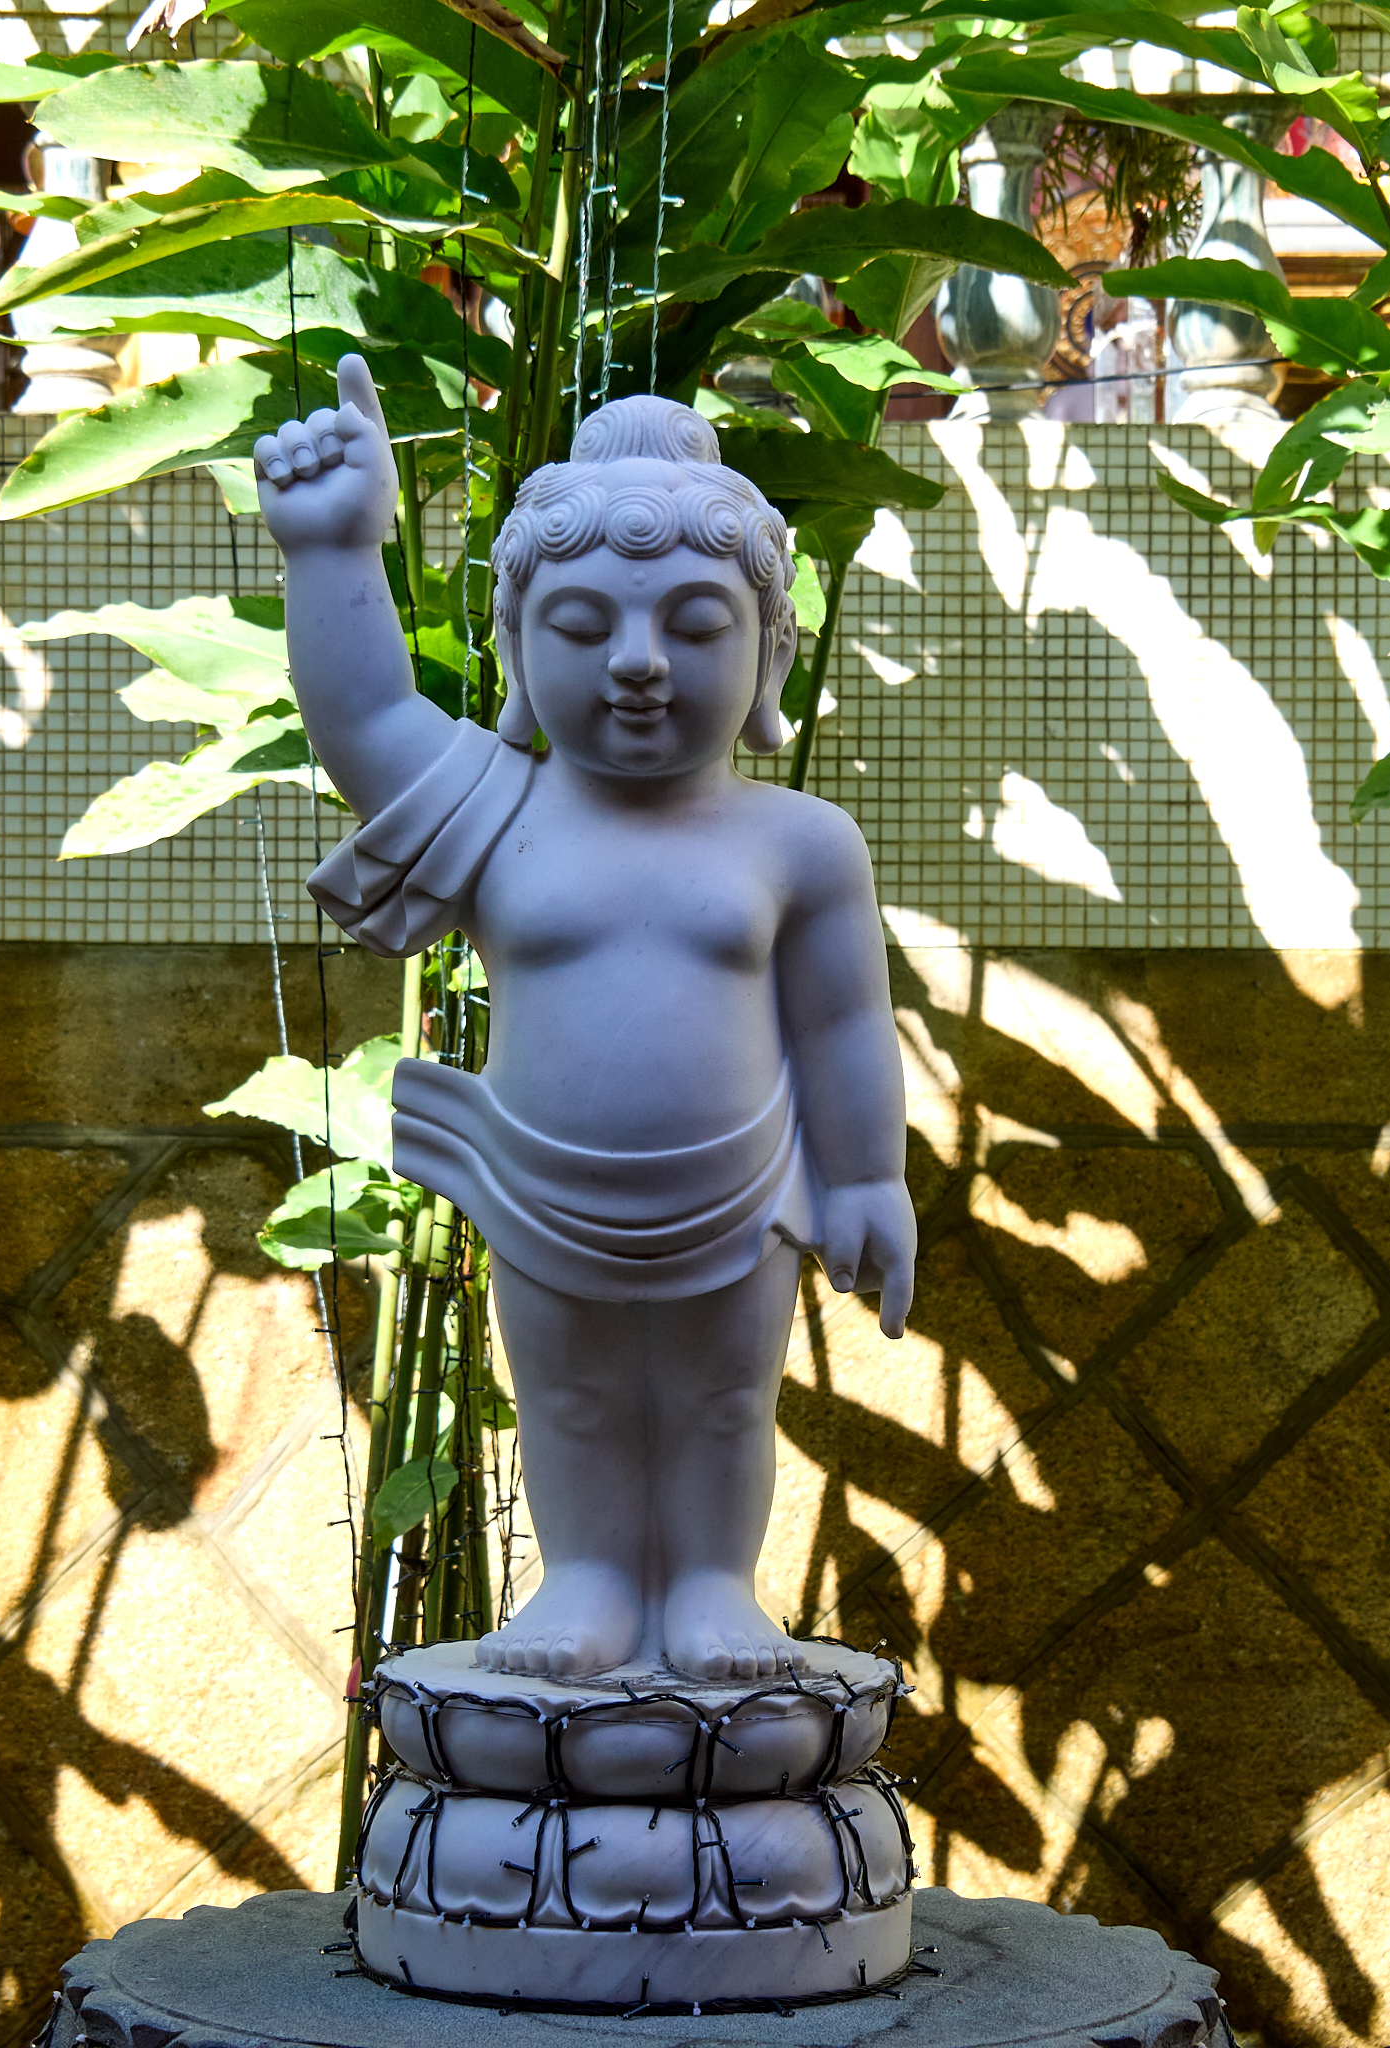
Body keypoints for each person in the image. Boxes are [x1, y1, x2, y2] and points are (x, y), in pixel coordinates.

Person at [254, 356, 915, 1685]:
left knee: (726, 1396)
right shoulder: (499, 808)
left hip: (745, 1186)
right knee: (570, 1394)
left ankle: (716, 1584)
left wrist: (869, 1180)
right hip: (538, 1183)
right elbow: (366, 717)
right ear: (515, 648)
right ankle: (591, 1579)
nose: (638, 663)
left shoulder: (800, 843)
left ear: (770, 650)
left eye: (696, 625)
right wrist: (333, 549)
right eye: (579, 625)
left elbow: (844, 1025)